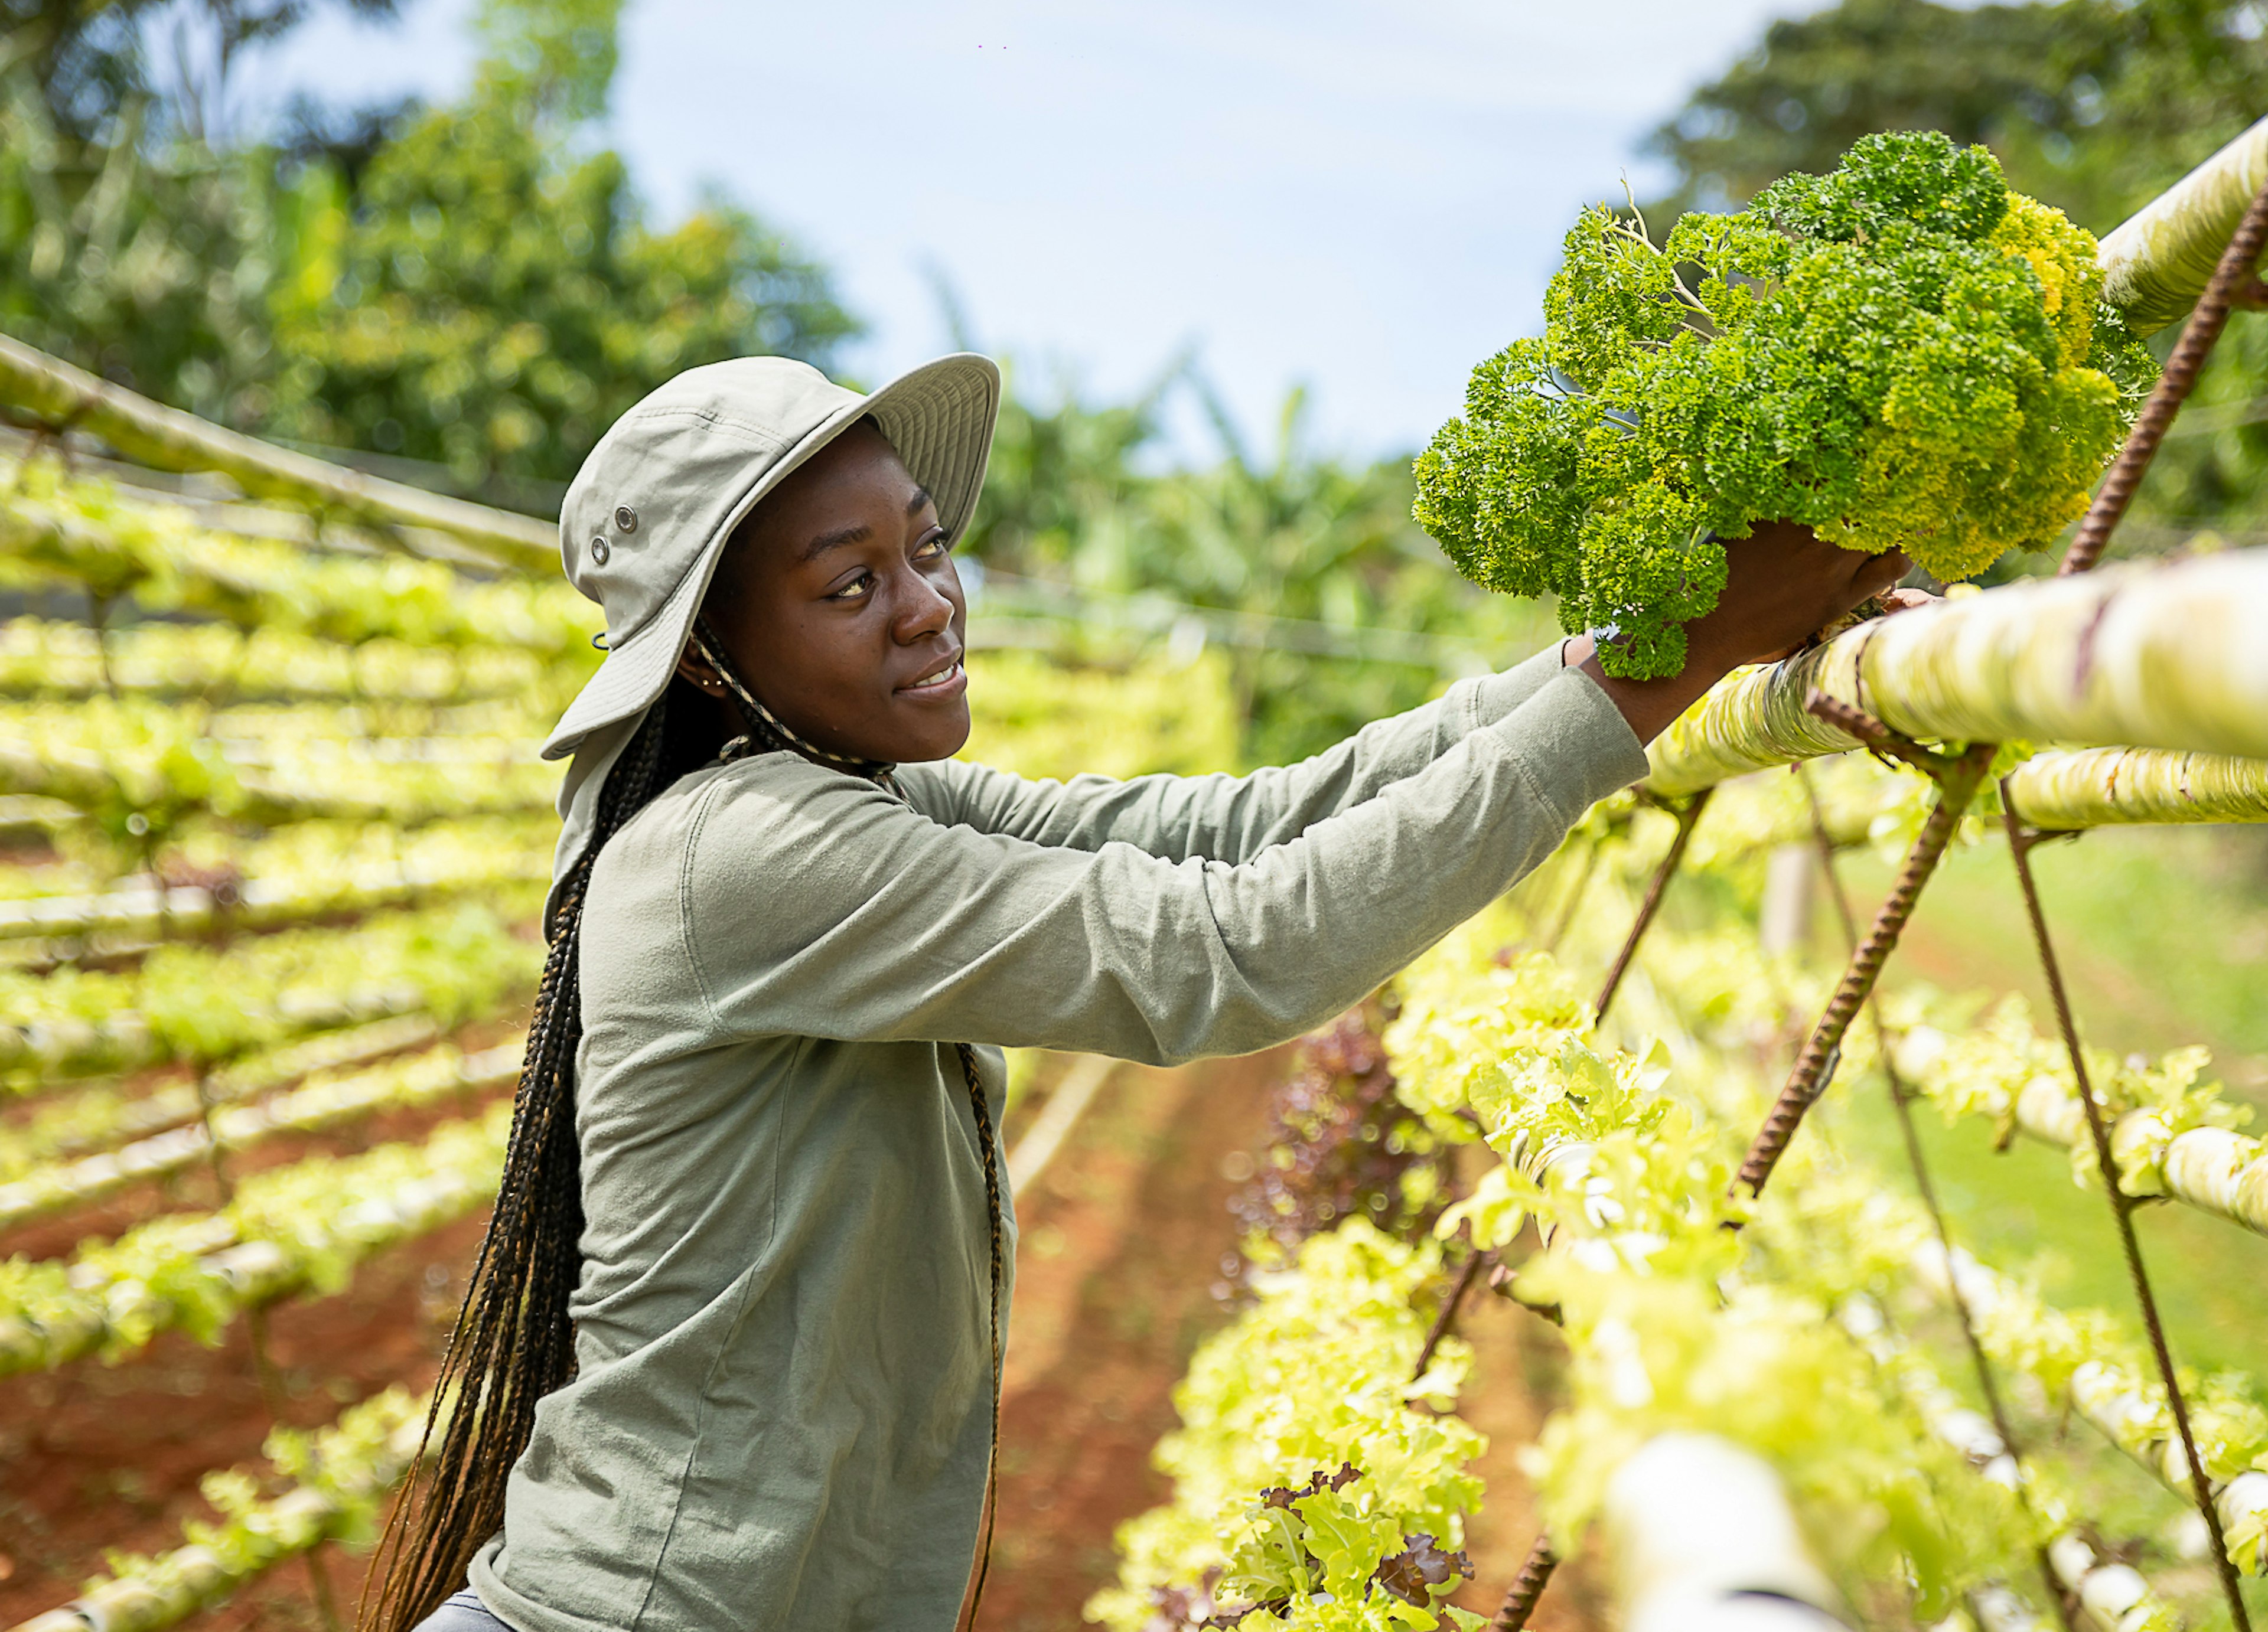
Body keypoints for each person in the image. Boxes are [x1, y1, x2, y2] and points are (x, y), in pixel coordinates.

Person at [373, 354, 1909, 1632]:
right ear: (709, 664)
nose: (926, 604)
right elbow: (1232, 950)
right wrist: (1672, 660)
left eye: (925, 546)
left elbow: (1232, 831)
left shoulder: (848, 803)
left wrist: (1642, 644)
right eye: (851, 586)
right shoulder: (740, 853)